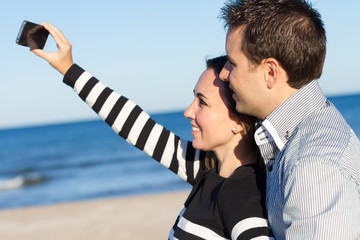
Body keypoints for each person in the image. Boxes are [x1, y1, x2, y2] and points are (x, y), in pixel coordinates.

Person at [31, 23, 274, 239]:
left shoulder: (242, 192)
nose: (188, 112)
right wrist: (68, 69)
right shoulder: (206, 171)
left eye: (202, 102)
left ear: (238, 121)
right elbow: (136, 125)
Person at [219, 0, 360, 239]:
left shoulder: (312, 166)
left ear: (270, 72)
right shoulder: (297, 132)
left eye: (232, 63)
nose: (223, 73)